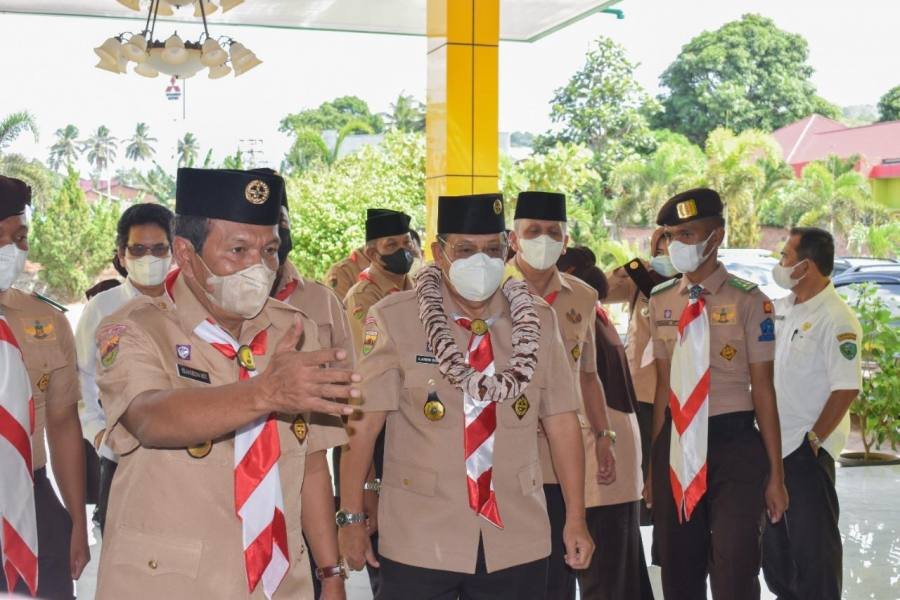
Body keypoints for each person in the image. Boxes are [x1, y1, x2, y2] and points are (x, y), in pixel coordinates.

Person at [93, 167, 359, 599]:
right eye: (238, 250)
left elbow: (311, 465)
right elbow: (149, 419)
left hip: (278, 583)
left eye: (269, 250)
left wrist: (330, 573)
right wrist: (264, 393)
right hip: (172, 583)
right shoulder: (136, 328)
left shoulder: (296, 331)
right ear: (185, 252)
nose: (259, 266)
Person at [338, 193, 594, 599]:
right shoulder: (395, 317)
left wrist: (576, 518)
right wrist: (351, 518)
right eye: (466, 250)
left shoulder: (538, 322)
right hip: (420, 534)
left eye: (493, 249)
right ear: (439, 252)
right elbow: (363, 426)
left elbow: (563, 423)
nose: (482, 261)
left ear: (507, 248)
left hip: (516, 533)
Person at [647, 187, 788, 600]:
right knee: (678, 564)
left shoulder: (750, 301)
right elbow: (663, 386)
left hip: (733, 442)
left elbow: (764, 391)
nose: (677, 244)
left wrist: (776, 475)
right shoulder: (660, 301)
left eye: (688, 234)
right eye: (672, 235)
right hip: (676, 442)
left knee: (735, 563)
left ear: (716, 236)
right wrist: (653, 464)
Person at [507, 191, 615, 600]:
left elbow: (588, 376)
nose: (544, 239)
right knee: (508, 575)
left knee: (558, 574)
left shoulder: (583, 297)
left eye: (553, 232)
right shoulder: (488, 292)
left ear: (566, 241)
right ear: (513, 239)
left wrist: (604, 436)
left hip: (560, 461)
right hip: (504, 456)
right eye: (533, 230)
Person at [0, 175, 90, 600]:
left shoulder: (46, 321)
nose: (10, 250)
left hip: (34, 502)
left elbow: (63, 423)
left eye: (19, 238)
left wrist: (76, 521)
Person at [268, 173, 355, 600]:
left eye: (279, 226)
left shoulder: (320, 300)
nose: (273, 239)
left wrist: (332, 569)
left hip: (307, 482)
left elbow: (348, 407)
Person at [762, 227, 860, 600]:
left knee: (814, 552)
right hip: (773, 447)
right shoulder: (782, 308)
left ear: (807, 266)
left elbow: (846, 388)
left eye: (786, 256)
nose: (780, 263)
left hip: (806, 452)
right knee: (777, 553)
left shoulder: (836, 318)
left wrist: (813, 442)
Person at [560, 247, 654, 600]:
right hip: (614, 463)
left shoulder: (579, 320)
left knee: (605, 578)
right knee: (620, 576)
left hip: (598, 467)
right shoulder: (596, 315)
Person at [75, 202, 175, 534]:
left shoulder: (190, 305)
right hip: (121, 458)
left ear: (173, 251)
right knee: (122, 547)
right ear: (122, 254)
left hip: (184, 456)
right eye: (139, 249)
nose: (150, 258)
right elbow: (82, 378)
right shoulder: (102, 308)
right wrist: (98, 433)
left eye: (159, 249)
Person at [342, 207, 416, 595]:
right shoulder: (363, 298)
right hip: (377, 420)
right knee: (381, 533)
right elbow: (372, 370)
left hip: (414, 419)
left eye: (405, 243)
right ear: (372, 252)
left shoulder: (417, 289)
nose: (402, 251)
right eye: (391, 245)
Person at [603, 227, 676, 525]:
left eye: (671, 248)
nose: (664, 254)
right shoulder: (642, 281)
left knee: (667, 467)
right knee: (640, 465)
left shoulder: (691, 287)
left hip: (676, 392)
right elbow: (602, 291)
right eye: (659, 249)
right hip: (639, 390)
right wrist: (625, 270)